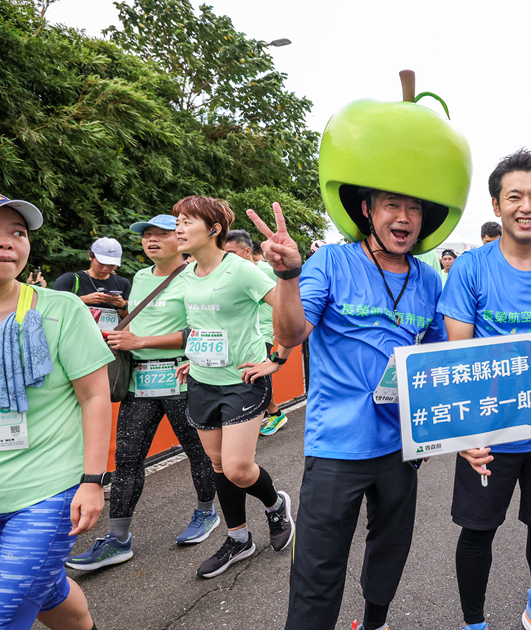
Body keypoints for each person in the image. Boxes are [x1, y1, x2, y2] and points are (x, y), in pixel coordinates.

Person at [250, 192, 454, 630]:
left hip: (401, 445)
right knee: (317, 569)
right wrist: (287, 275)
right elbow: (292, 332)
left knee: (390, 549)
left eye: (415, 209)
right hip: (336, 447)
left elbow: (437, 358)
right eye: (391, 206)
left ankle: (374, 622)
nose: (404, 218)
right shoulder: (332, 263)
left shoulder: (429, 279)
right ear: (367, 211)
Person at [438, 150, 531, 630]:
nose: (526, 206)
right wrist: (464, 436)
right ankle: (474, 622)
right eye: (514, 196)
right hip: (489, 436)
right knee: (478, 533)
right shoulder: (471, 268)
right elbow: (454, 357)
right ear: (497, 206)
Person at [67, 215, 219, 572]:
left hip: (183, 375)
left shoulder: (198, 274)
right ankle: (118, 539)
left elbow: (200, 330)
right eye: (146, 235)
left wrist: (142, 340)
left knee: (199, 451)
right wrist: (123, 336)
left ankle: (206, 512)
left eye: (162, 235)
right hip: (141, 380)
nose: (151, 240)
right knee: (127, 459)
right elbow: (138, 323)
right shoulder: (139, 277)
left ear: (180, 238)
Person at [0, 195, 113, 630]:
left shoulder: (61, 308)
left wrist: (91, 482)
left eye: (18, 233)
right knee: (46, 589)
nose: (9, 243)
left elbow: (94, 397)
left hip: (47, 490)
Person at [173, 196, 295, 579]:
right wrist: (194, 355)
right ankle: (238, 538)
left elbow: (290, 308)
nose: (178, 227)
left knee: (240, 468)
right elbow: (200, 322)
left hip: (243, 380)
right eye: (178, 220)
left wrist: (277, 357)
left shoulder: (241, 271)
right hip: (203, 382)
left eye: (187, 220)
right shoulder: (186, 273)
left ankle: (275, 505)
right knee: (218, 465)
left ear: (213, 229)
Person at [224, 229, 289, 436]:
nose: (226, 258)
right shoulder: (228, 274)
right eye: (223, 253)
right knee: (247, 376)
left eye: (231, 252)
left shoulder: (266, 270)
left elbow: (294, 292)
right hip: (243, 335)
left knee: (253, 378)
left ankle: (272, 415)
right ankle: (273, 413)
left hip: (265, 334)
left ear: (247, 251)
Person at [52, 237, 131, 332]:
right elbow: (53, 308)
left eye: (111, 264)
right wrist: (82, 300)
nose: (106, 268)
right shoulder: (70, 279)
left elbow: (130, 320)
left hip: (109, 340)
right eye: (102, 263)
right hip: (75, 335)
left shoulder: (123, 283)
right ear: (90, 256)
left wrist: (122, 305)